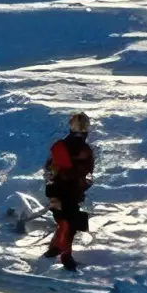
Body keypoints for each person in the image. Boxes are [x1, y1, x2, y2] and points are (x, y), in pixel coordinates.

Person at [42, 112, 96, 270]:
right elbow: (86, 169)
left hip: (62, 189)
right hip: (65, 190)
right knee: (68, 223)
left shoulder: (62, 145)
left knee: (65, 221)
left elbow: (49, 169)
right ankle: (65, 254)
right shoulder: (79, 148)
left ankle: (56, 248)